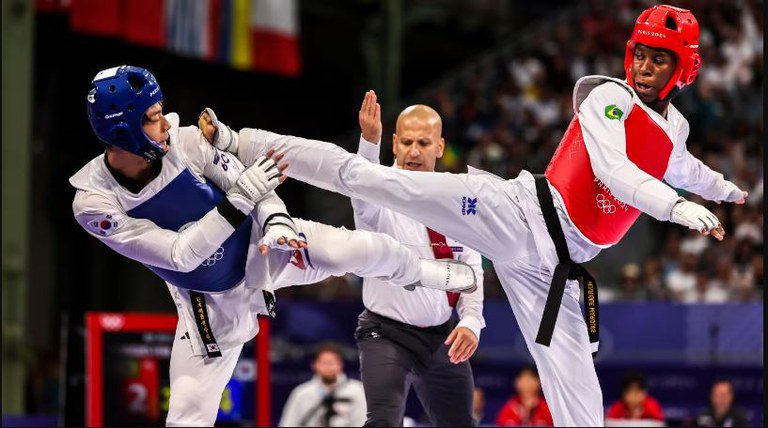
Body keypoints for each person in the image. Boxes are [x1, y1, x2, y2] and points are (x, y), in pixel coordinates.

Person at [201, 5, 747, 425]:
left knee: (580, 389)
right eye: (642, 55)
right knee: (374, 179)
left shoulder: (674, 127)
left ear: (686, 67)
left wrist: (721, 188)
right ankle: (240, 139)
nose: (647, 68)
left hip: (551, 271)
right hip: (516, 215)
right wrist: (675, 207)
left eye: (661, 59)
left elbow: (680, 164)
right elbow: (617, 173)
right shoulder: (608, 98)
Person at [69, 66, 477, 426]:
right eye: (153, 118)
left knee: (362, 248)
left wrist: (277, 220)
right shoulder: (95, 203)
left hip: (263, 244)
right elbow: (181, 254)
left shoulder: (186, 141)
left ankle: (427, 273)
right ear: (121, 129)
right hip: (207, 300)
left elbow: (256, 184)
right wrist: (242, 198)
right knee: (188, 416)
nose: (165, 125)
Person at [351, 95, 484, 426]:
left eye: (423, 143)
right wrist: (369, 144)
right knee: (383, 421)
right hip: (385, 334)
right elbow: (361, 193)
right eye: (406, 142)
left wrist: (470, 321)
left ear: (439, 147)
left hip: (441, 336)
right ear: (394, 143)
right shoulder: (378, 191)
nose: (413, 151)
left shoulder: (458, 199)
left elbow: (471, 268)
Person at [278, 343, 366, 427]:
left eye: (332, 363)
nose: (329, 367)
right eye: (325, 363)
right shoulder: (302, 393)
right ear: (314, 365)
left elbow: (362, 422)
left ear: (340, 364)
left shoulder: (357, 391)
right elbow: (287, 424)